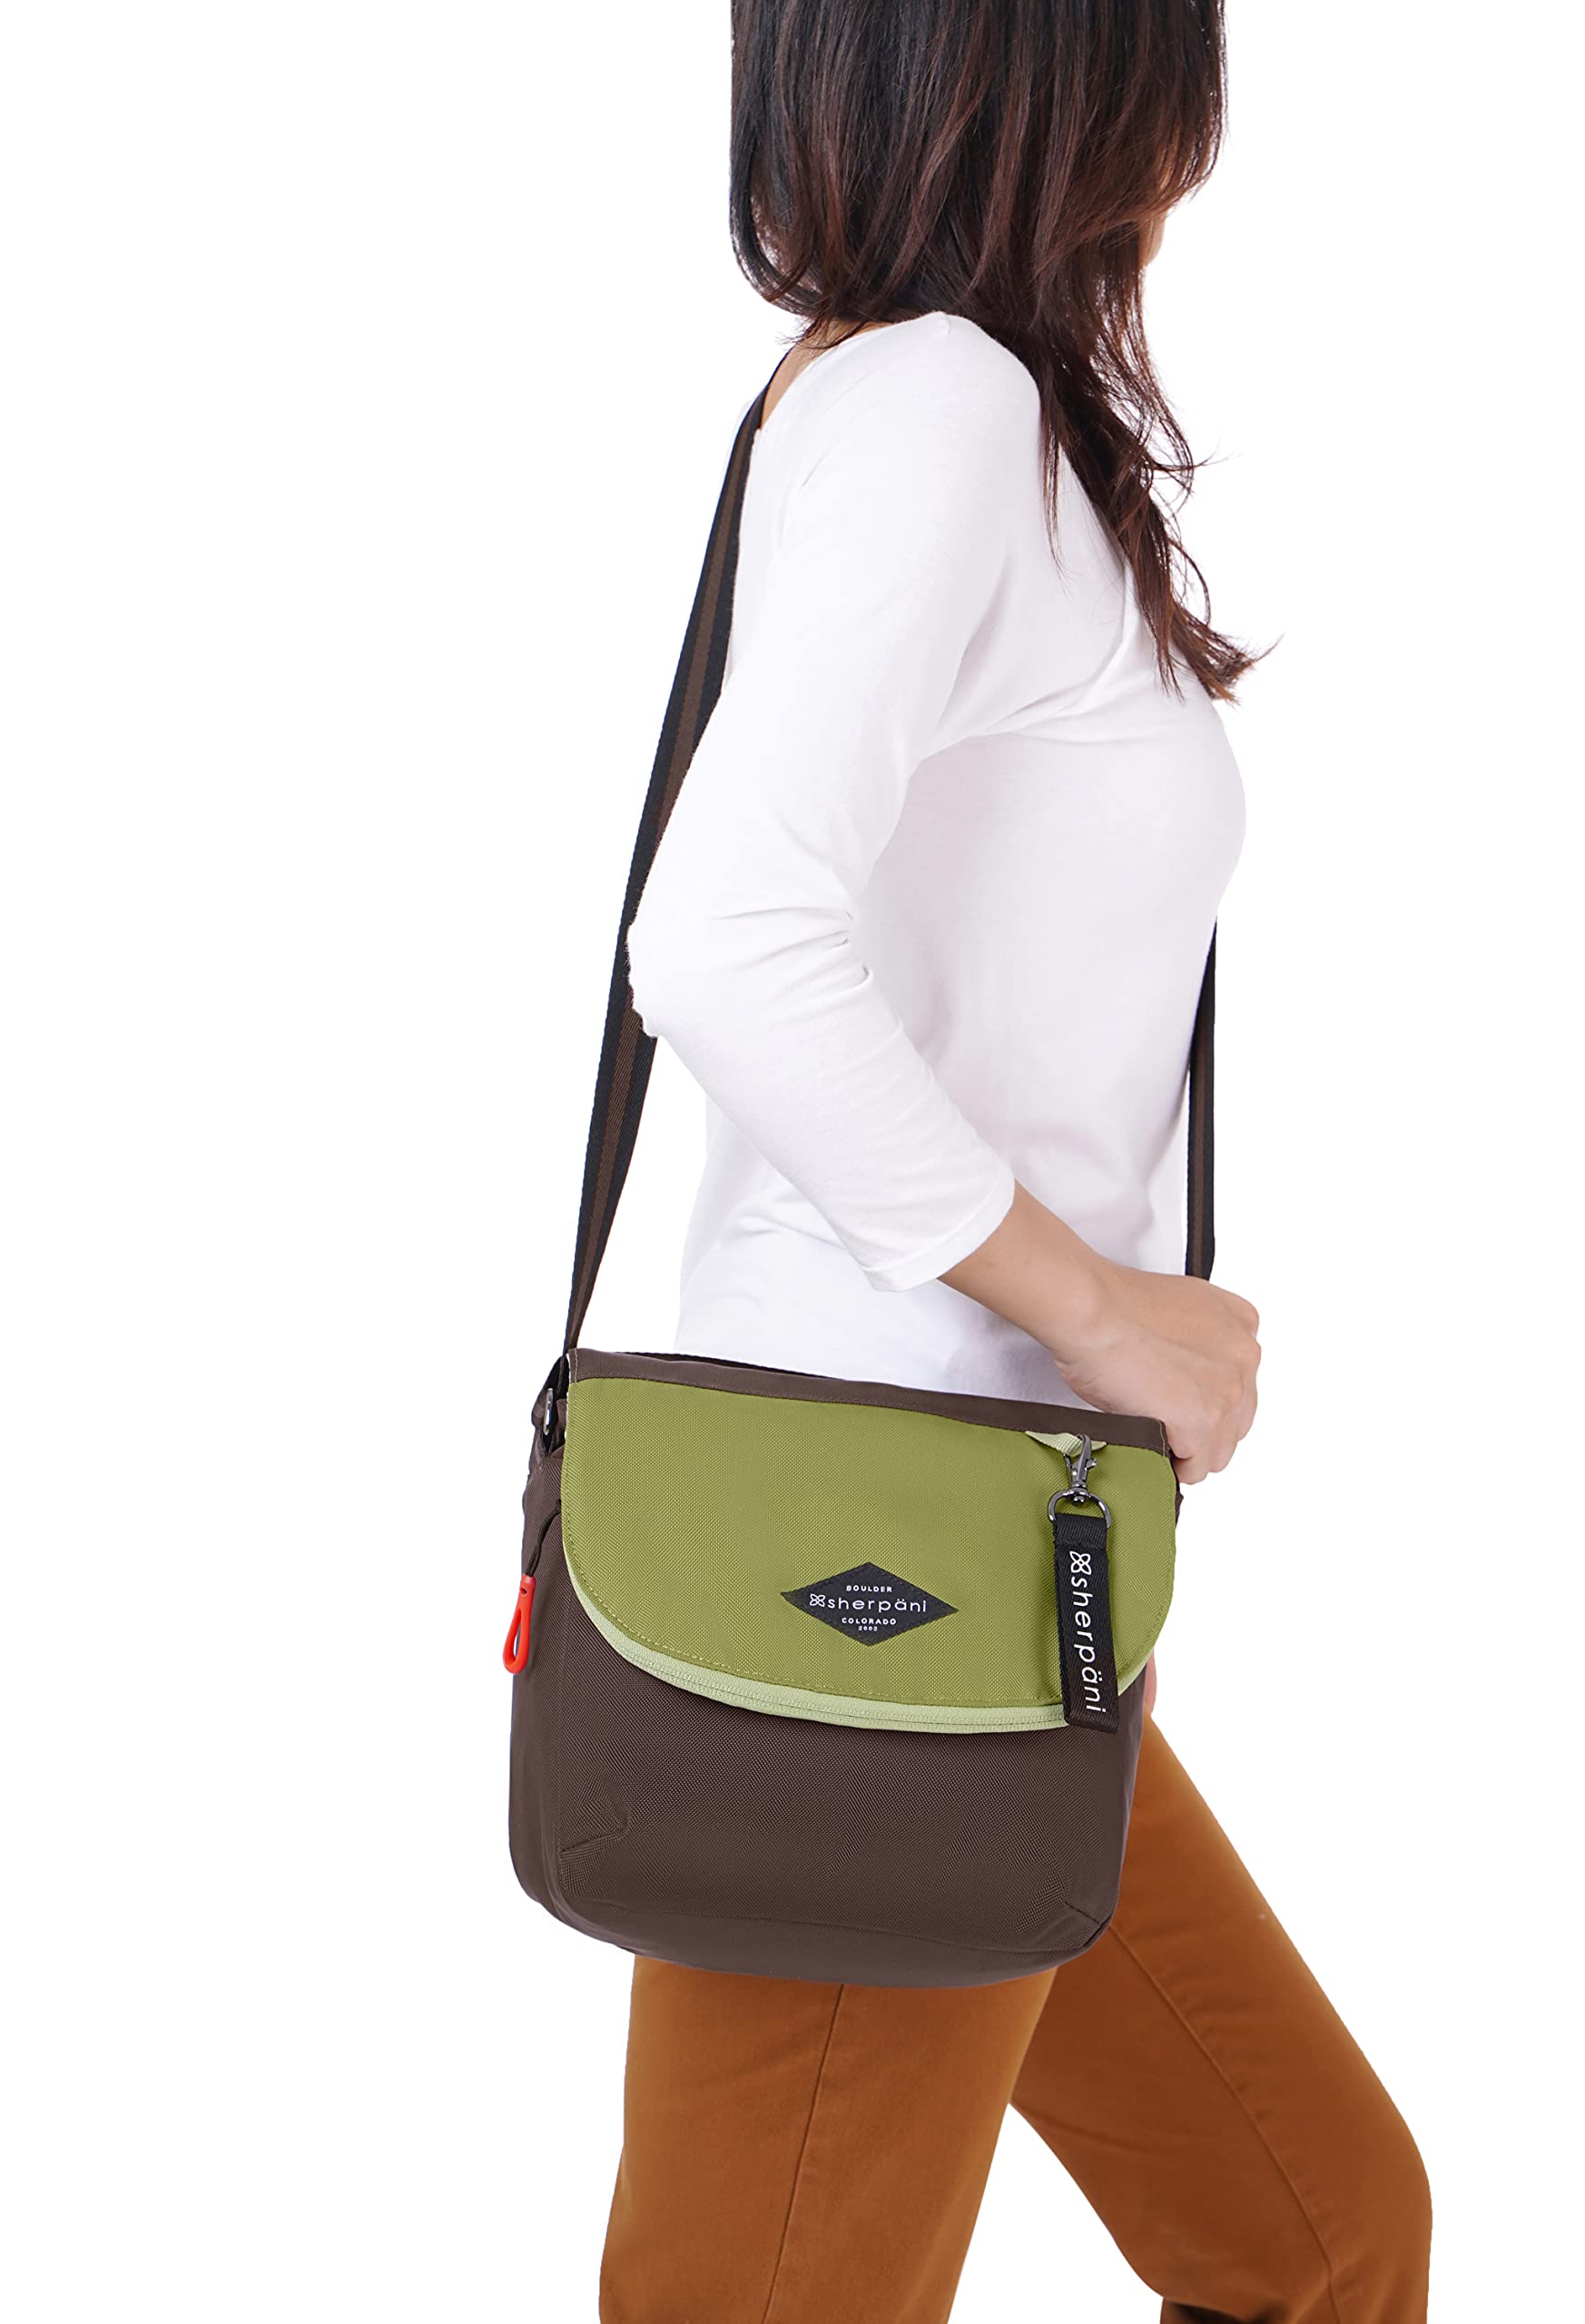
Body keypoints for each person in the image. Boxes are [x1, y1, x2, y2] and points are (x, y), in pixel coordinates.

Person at [599, 5, 1430, 2316]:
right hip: (860, 1579)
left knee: (1316, 2228)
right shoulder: (932, 407)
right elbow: (719, 935)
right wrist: (1101, 1309)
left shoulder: (979, 419)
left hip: (1001, 1558)